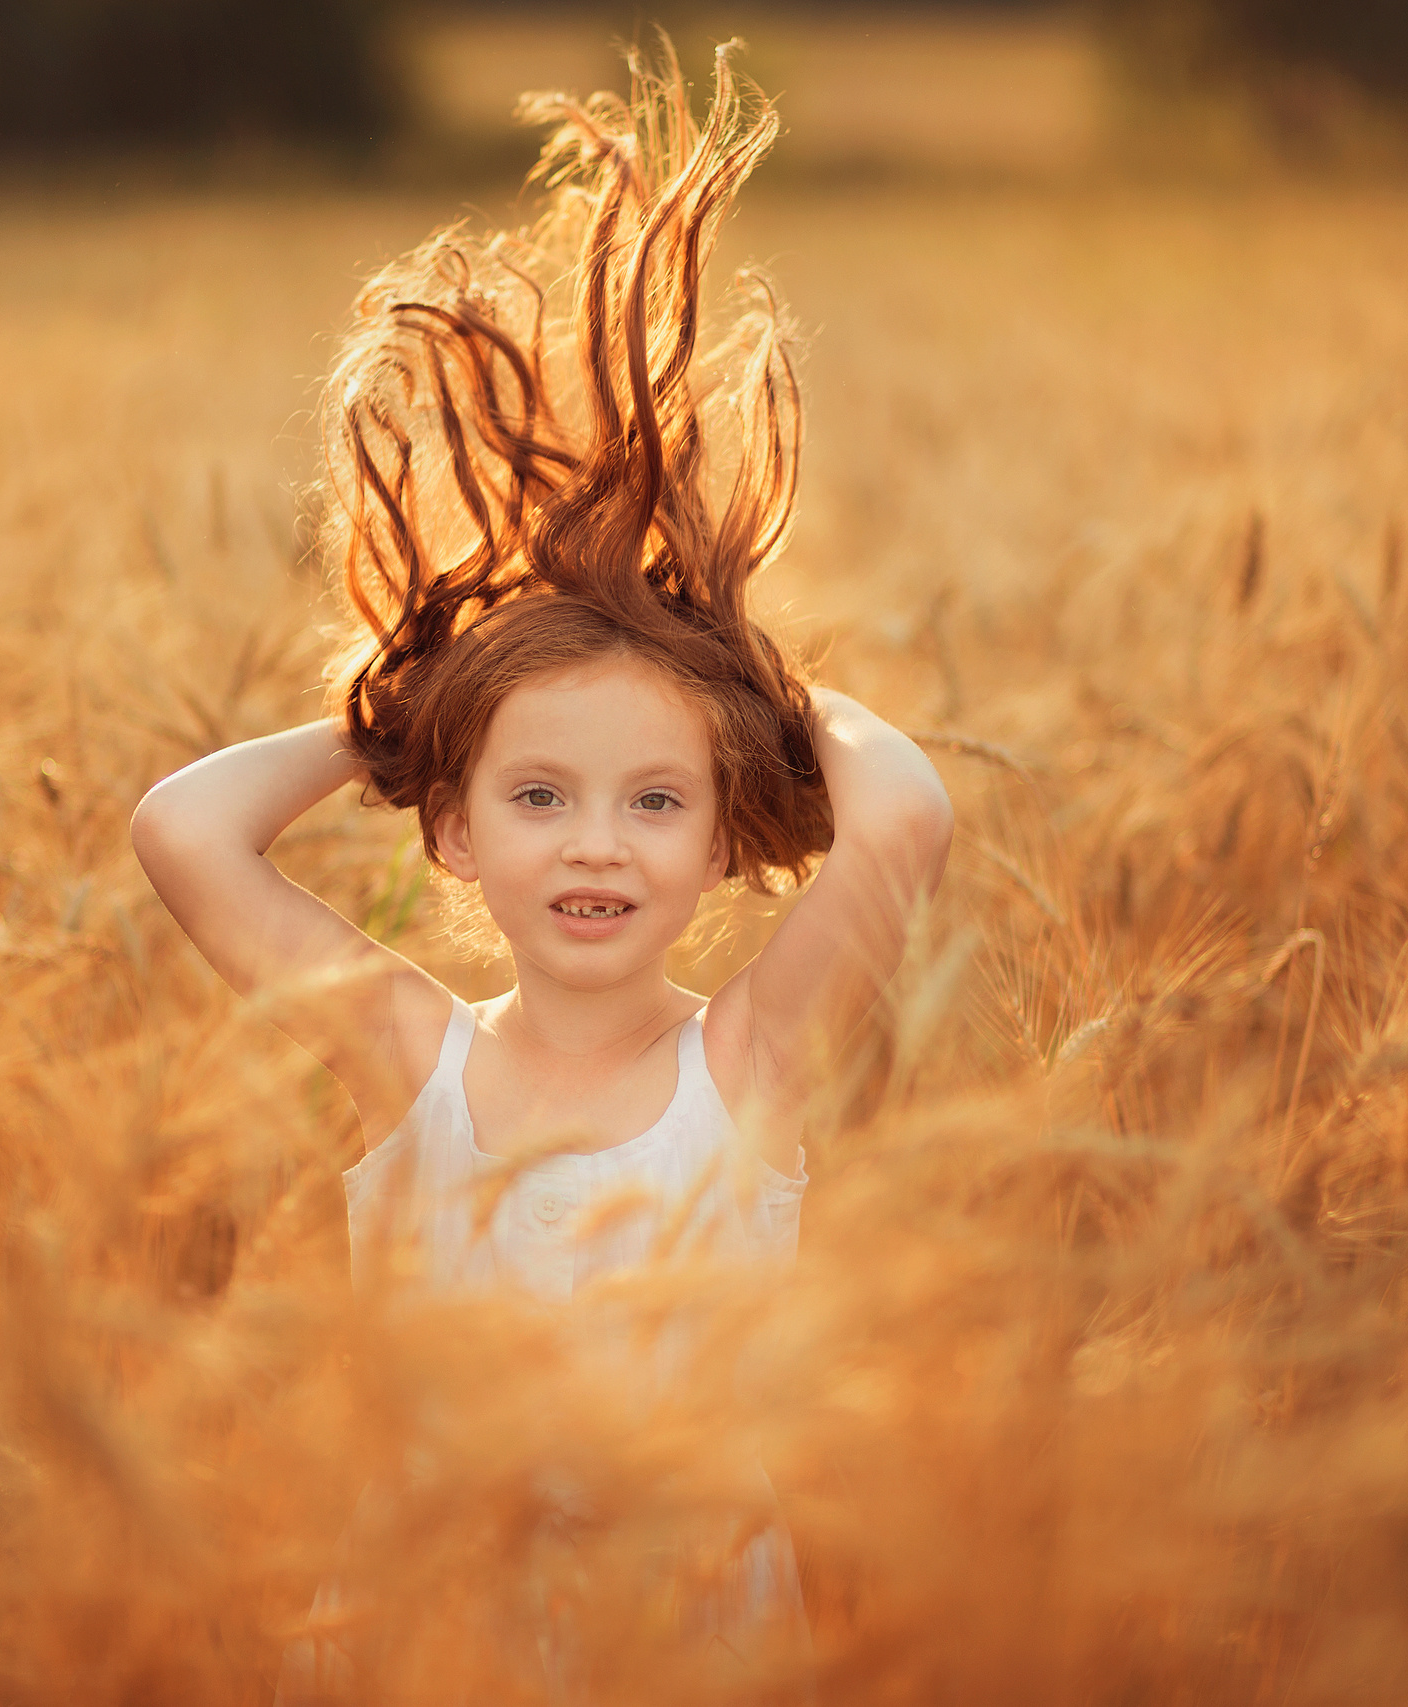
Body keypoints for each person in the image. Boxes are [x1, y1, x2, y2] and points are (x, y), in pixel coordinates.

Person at [130, 41, 953, 1701]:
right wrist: (398, 728)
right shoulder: (410, 1058)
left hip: (698, 1643)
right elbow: (184, 832)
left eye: (658, 804)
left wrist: (769, 708)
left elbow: (909, 820)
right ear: (452, 829)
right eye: (539, 797)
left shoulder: (748, 1062)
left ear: (725, 839)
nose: (595, 842)